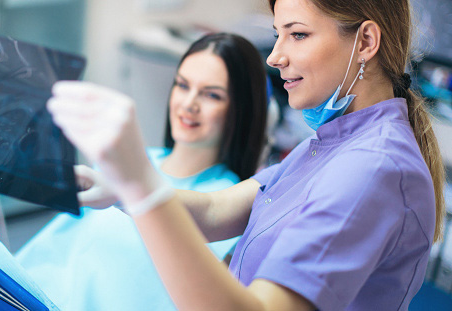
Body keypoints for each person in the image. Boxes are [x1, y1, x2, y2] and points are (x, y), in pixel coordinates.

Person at [46, 0, 446, 309]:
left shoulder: (373, 169)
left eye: (298, 35)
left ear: (366, 42)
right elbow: (217, 211)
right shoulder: (326, 144)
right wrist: (123, 189)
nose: (274, 56)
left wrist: (142, 188)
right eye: (277, 34)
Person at [16, 33, 268, 310]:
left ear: (240, 109)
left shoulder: (231, 208)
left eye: (211, 95)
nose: (189, 104)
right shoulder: (131, 160)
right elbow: (53, 253)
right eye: (183, 85)